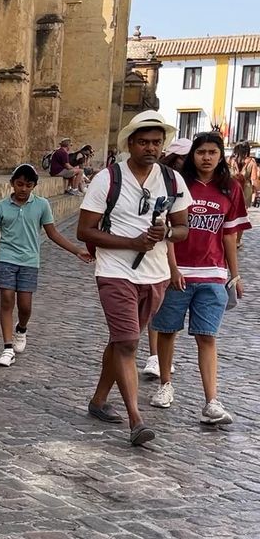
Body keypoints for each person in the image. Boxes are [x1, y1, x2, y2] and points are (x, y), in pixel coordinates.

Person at [76, 110, 190, 446]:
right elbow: (86, 230)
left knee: (120, 339)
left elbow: (183, 228)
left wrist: (167, 230)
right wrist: (131, 243)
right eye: (144, 142)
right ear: (130, 143)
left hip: (154, 275)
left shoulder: (172, 181)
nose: (151, 148)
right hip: (114, 272)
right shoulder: (108, 179)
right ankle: (136, 420)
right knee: (128, 342)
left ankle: (98, 401)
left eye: (156, 142)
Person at [149, 132, 250, 424]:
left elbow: (229, 235)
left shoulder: (229, 189)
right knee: (168, 330)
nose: (206, 157)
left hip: (213, 275)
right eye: (201, 151)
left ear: (220, 156)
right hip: (178, 272)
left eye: (212, 152)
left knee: (207, 336)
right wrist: (172, 269)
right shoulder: (179, 186)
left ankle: (212, 401)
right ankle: (165, 385)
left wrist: (235, 274)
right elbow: (165, 228)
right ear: (193, 155)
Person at [0, 164, 92, 367]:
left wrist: (77, 250)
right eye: (19, 184)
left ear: (34, 186)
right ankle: (7, 348)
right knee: (7, 299)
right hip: (6, 258)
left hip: (29, 261)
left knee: (25, 306)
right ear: (12, 184)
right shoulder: (1, 206)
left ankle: (22, 328)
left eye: (28, 185)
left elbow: (53, 233)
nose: (23, 189)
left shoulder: (42, 205)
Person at [143, 136, 194, 377]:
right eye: (184, 157)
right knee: (159, 308)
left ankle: (160, 357)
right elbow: (166, 230)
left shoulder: (188, 182)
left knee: (169, 311)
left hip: (192, 255)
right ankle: (155, 356)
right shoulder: (165, 181)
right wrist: (173, 266)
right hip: (167, 252)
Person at [228, 142, 257, 247]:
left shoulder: (230, 160)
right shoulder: (251, 162)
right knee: (242, 215)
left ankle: (226, 235)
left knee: (228, 213)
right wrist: (257, 192)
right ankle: (237, 241)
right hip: (245, 192)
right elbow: (254, 180)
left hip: (230, 190)